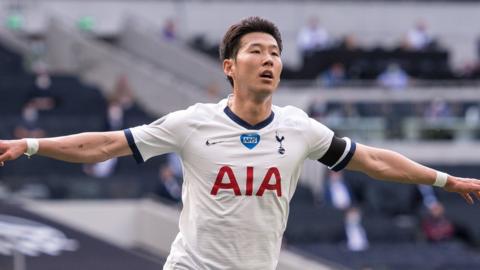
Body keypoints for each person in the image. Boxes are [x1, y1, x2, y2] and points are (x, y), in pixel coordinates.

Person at [1, 17, 480, 270]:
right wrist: (31, 147)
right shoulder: (193, 123)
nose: (269, 59)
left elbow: (373, 160)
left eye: (275, 53)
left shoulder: (299, 128)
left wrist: (443, 178)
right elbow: (105, 145)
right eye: (256, 51)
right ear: (230, 66)